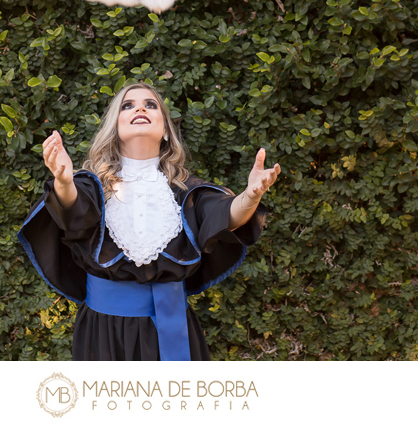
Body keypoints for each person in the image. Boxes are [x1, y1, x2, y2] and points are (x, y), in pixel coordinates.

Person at [17, 82, 281, 360]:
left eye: (150, 104)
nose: (140, 108)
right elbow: (73, 208)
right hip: (102, 333)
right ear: (115, 127)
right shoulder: (93, 186)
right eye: (127, 106)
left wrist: (250, 197)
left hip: (172, 327)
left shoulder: (187, 191)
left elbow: (224, 214)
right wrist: (63, 180)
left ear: (165, 130)